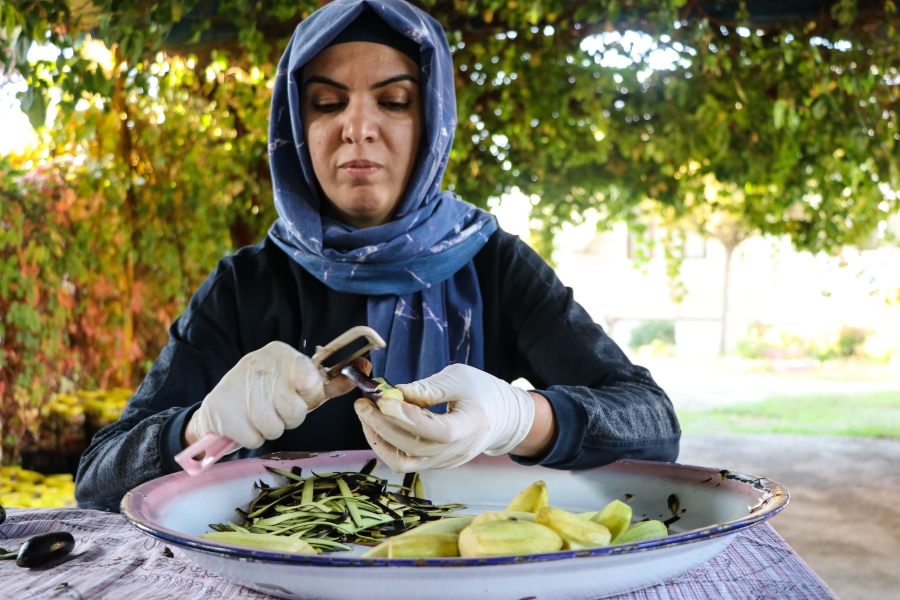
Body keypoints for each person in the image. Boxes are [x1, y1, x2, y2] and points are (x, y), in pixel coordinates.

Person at [75, 0, 680, 512]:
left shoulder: (494, 266)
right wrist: (199, 430)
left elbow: (653, 425)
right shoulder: (245, 285)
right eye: (326, 103)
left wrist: (522, 418)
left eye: (392, 100)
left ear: (431, 122)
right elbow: (99, 479)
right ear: (296, 127)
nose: (357, 126)